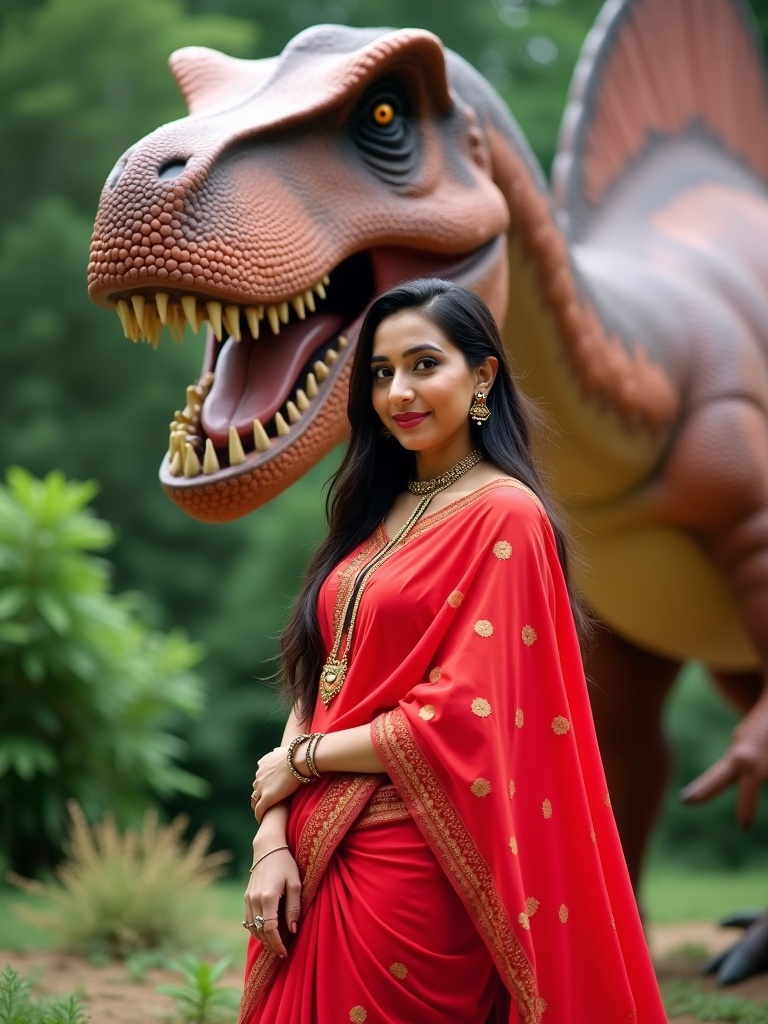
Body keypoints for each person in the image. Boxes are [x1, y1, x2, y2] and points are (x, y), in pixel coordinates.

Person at [240, 279, 667, 1023]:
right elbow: (323, 681)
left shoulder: (507, 515)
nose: (398, 391)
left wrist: (302, 762)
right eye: (380, 372)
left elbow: (463, 715)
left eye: (423, 364)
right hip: (306, 861)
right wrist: (270, 841)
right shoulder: (374, 511)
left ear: (482, 375)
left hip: (411, 869)